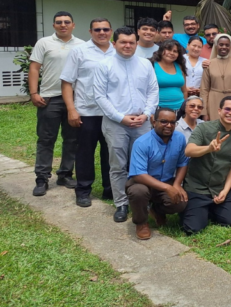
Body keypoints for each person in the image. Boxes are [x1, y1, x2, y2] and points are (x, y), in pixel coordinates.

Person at [94, 26, 159, 223]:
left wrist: (147, 114)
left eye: (131, 42)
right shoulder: (104, 65)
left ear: (136, 43)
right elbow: (100, 96)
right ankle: (121, 203)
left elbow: (153, 91)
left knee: (143, 164)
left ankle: (143, 201)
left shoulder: (145, 65)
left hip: (142, 122)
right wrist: (121, 117)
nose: (128, 46)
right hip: (116, 123)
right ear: (114, 44)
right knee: (118, 165)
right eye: (123, 42)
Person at [60, 17, 111, 205]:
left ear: (111, 31)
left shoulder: (117, 52)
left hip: (110, 113)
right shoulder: (79, 52)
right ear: (90, 32)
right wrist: (71, 109)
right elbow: (66, 82)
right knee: (85, 153)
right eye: (97, 30)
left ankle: (109, 189)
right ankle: (83, 190)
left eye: (105, 29)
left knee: (110, 153)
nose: (102, 33)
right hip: (86, 112)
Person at [182, 96, 231, 234]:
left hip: (219, 187)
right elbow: (189, 151)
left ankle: (208, 209)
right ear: (219, 110)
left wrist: (225, 190)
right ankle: (200, 210)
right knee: (193, 228)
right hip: (198, 187)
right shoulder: (203, 128)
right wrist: (208, 148)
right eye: (227, 109)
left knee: (230, 220)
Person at [126, 107, 189, 240]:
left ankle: (157, 210)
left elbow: (183, 163)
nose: (169, 126)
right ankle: (141, 223)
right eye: (164, 121)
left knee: (180, 203)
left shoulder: (179, 138)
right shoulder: (142, 143)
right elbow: (138, 174)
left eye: (173, 122)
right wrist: (167, 188)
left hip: (166, 180)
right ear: (154, 122)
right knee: (138, 192)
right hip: (142, 182)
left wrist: (177, 184)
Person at [200, 34, 231, 121]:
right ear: (216, 45)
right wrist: (204, 112)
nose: (224, 47)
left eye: (227, 45)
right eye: (221, 44)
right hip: (214, 101)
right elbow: (204, 89)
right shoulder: (209, 64)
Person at [151, 40, 187, 111]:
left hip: (179, 109)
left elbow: (184, 91)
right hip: (159, 109)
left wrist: (184, 107)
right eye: (169, 49)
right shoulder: (152, 65)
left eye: (175, 51)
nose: (171, 53)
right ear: (161, 50)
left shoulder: (180, 66)